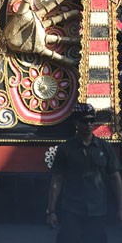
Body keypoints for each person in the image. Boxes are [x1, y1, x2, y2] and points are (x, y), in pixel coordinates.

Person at [47, 103, 122, 243]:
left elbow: (115, 178)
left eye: (91, 121)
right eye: (84, 121)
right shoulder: (65, 149)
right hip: (72, 211)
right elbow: (57, 180)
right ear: (76, 123)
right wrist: (51, 211)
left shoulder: (104, 147)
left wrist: (120, 207)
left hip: (97, 212)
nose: (89, 124)